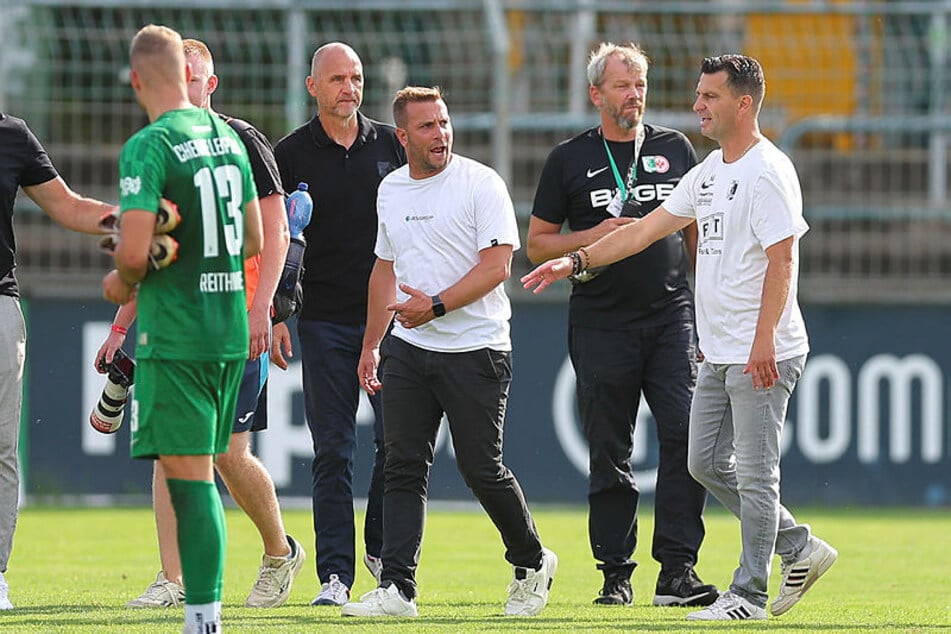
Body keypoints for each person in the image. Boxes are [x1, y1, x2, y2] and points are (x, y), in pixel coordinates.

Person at [522, 54, 837, 622]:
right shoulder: (710, 171)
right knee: (703, 464)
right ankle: (798, 547)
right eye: (697, 96)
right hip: (717, 350)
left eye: (709, 97)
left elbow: (783, 259)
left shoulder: (768, 170)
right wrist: (575, 262)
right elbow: (643, 232)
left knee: (757, 472)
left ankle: (748, 595)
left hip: (758, 349)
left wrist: (764, 338)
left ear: (744, 105)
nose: (697, 107)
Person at [95, 37, 303, 610]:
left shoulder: (171, 144)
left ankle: (278, 550)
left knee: (221, 456)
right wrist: (121, 325)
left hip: (214, 324)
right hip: (209, 323)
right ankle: (179, 585)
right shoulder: (225, 150)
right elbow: (250, 237)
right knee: (177, 454)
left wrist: (265, 308)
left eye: (196, 77)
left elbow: (272, 235)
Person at [343, 86, 557, 619]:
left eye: (443, 123)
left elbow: (496, 267)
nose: (440, 135)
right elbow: (383, 269)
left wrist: (434, 307)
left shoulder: (481, 183)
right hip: (409, 347)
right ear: (402, 136)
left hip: (476, 349)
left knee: (481, 468)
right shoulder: (391, 189)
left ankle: (532, 562)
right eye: (427, 127)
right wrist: (373, 343)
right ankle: (397, 588)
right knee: (402, 465)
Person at [527, 42, 717, 608]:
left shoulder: (674, 148)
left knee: (688, 438)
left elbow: (694, 237)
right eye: (621, 86)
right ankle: (616, 572)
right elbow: (538, 244)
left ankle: (677, 571)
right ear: (596, 94)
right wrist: (594, 235)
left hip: (669, 316)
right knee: (610, 450)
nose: (633, 95)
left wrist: (709, 309)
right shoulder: (568, 158)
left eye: (640, 85)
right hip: (600, 323)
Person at [273, 42, 405, 606]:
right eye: (336, 79)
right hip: (323, 319)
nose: (348, 88)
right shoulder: (289, 154)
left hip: (390, 320)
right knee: (332, 449)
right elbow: (273, 238)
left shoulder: (391, 146)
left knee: (397, 443)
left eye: (356, 77)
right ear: (312, 87)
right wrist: (278, 312)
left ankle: (378, 546)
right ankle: (335, 575)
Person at [0, 119, 115, 611]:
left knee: (0, 447)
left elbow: (68, 206)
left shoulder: (11, 135)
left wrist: (129, 218)